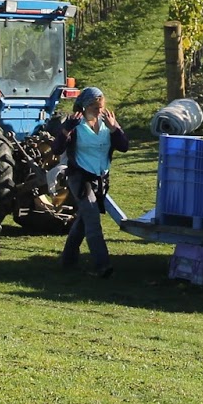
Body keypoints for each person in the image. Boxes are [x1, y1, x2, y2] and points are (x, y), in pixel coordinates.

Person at [53, 86, 129, 278]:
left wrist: (115, 129)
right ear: (85, 107)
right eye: (95, 107)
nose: (99, 111)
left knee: (83, 220)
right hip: (80, 179)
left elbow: (124, 147)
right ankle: (102, 265)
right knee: (93, 219)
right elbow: (57, 149)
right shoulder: (75, 125)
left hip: (100, 179)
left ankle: (68, 259)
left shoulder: (107, 123)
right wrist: (65, 130)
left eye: (101, 107)